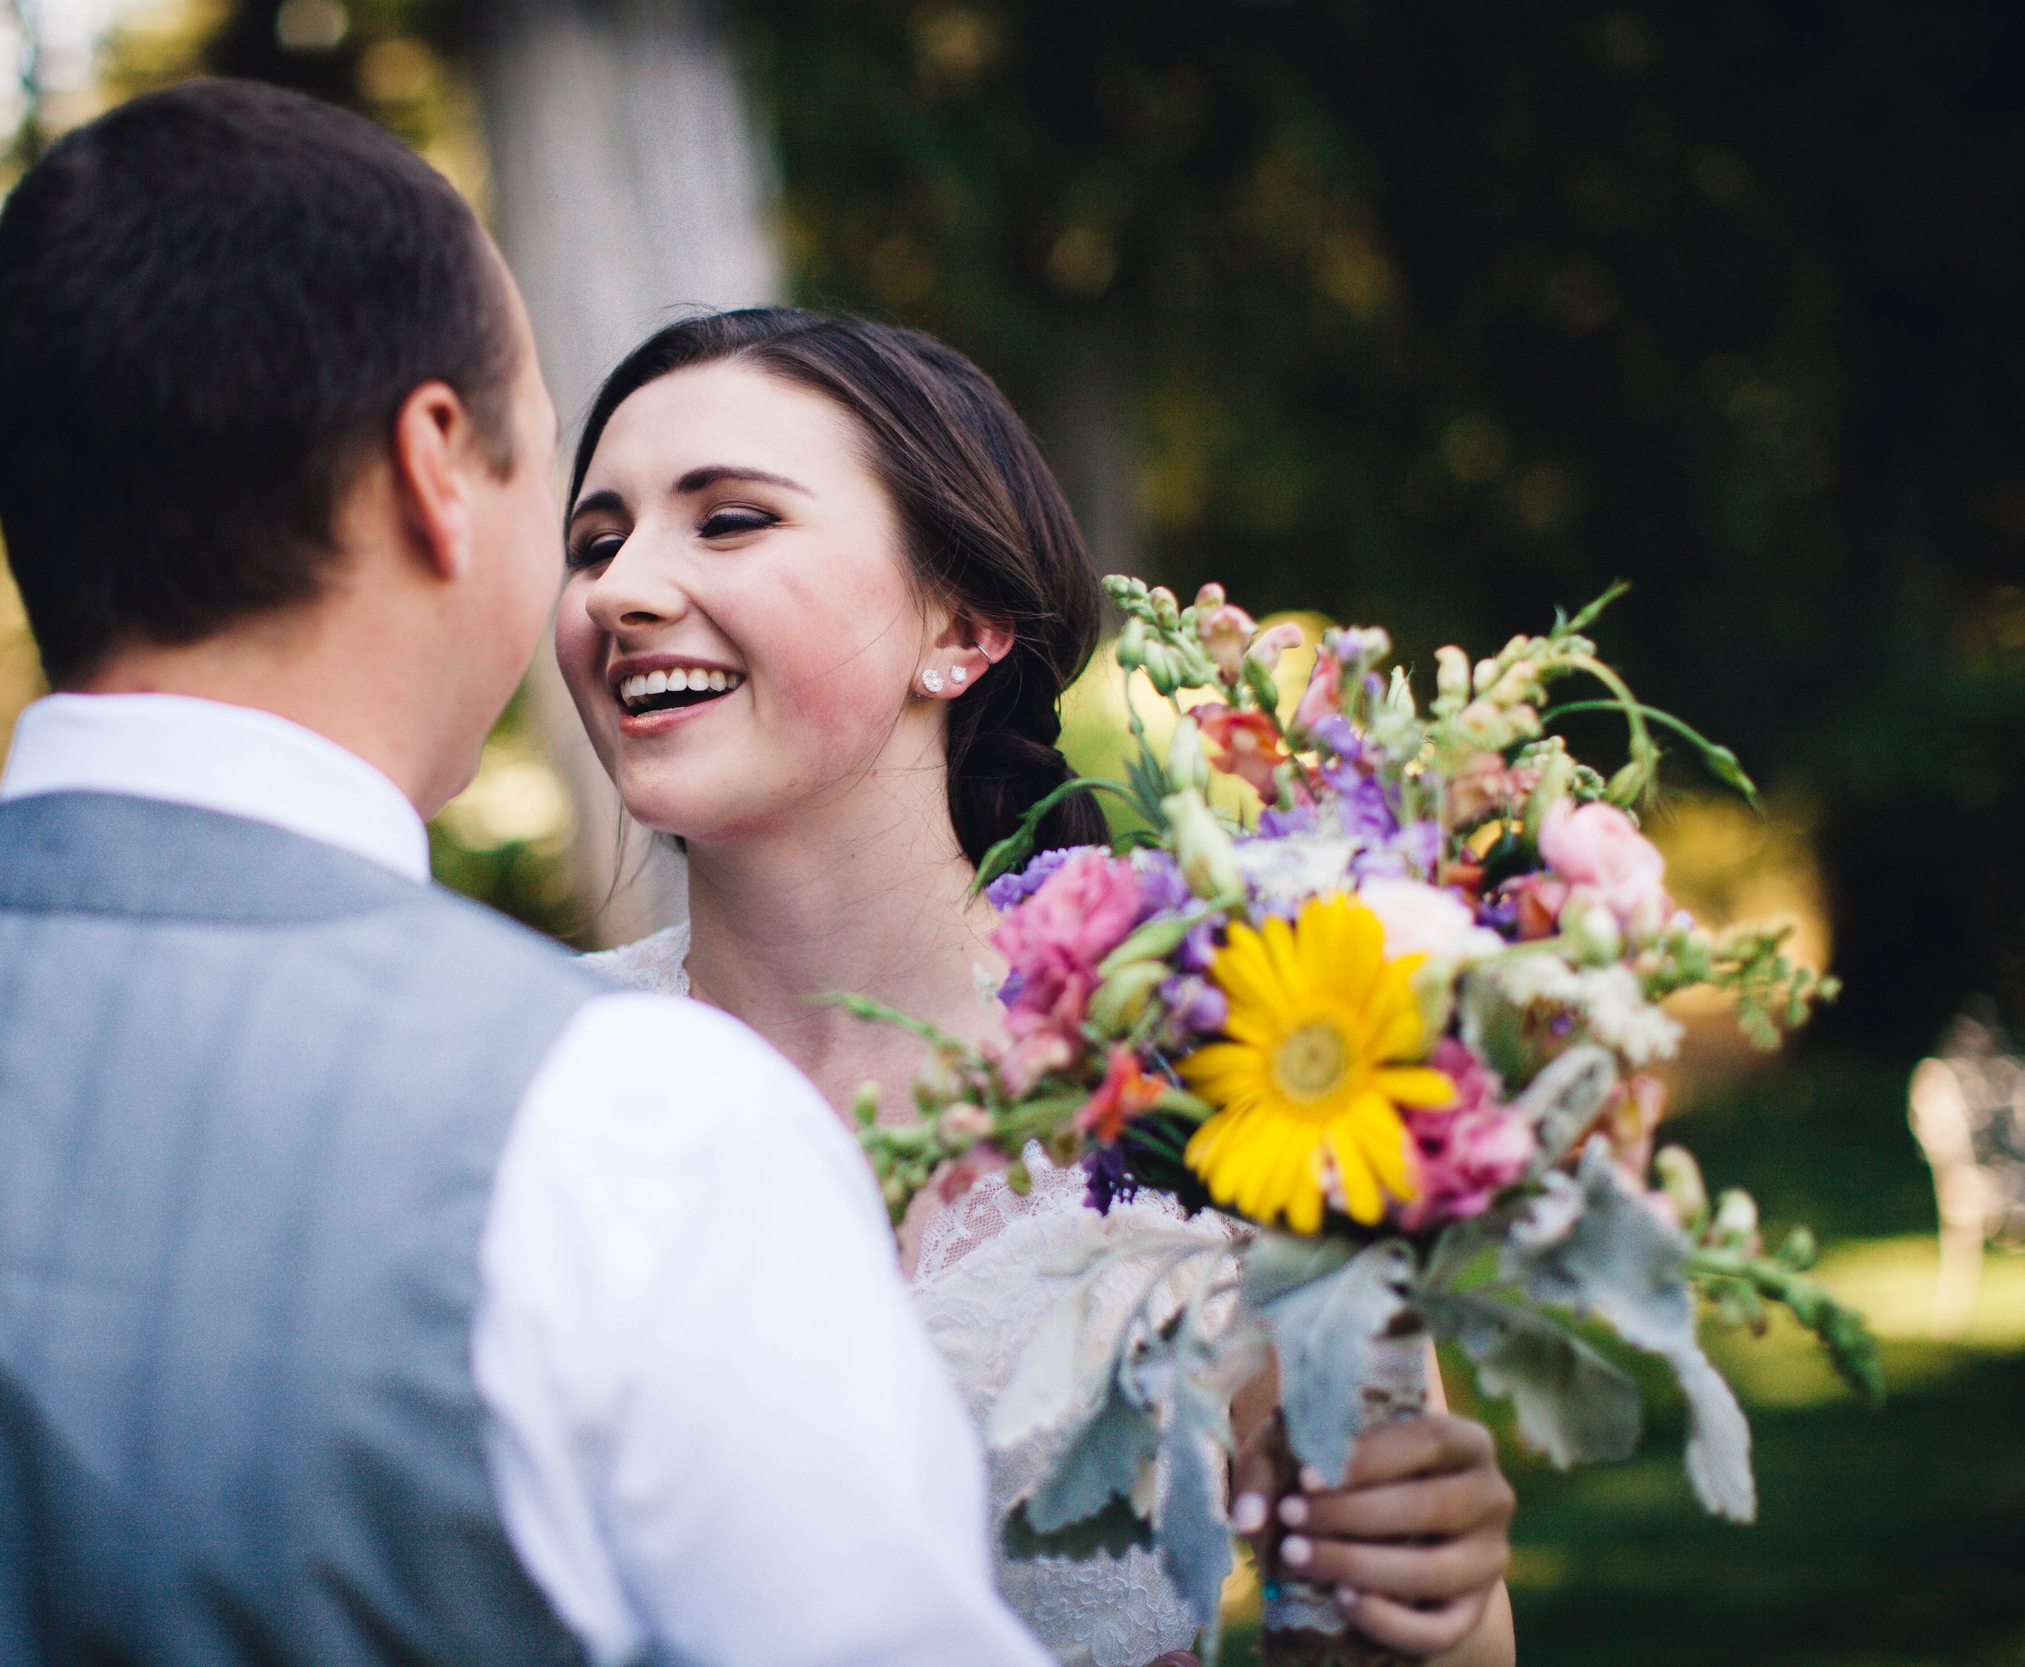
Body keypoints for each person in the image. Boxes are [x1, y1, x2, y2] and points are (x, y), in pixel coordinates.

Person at [0, 83, 1054, 1667]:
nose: (613, 589)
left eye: (728, 519)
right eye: (567, 501)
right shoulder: (621, 1133)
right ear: (432, 467)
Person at [560, 308, 1519, 1667]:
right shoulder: (512, 1071)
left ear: (960, 625)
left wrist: (1428, 1590)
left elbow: (1382, 1621)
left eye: (727, 523)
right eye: (595, 543)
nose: (617, 589)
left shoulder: (1220, 1070)